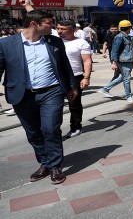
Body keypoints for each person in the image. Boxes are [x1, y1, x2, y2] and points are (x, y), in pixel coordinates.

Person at [0, 9, 77, 185]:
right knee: (33, 133)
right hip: (22, 95)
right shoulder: (6, 44)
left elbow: (65, 65)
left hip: (51, 92)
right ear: (34, 24)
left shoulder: (54, 42)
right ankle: (45, 163)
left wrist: (72, 86)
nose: (53, 27)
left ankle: (56, 166)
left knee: (50, 129)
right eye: (49, 23)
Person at [56, 20, 92, 139]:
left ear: (73, 30)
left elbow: (87, 61)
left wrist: (86, 77)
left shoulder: (81, 43)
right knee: (55, 104)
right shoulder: (54, 41)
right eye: (58, 28)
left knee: (74, 104)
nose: (59, 31)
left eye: (63, 29)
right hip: (56, 77)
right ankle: (54, 129)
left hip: (75, 77)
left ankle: (76, 127)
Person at [98, 20, 133, 103]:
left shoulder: (127, 36)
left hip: (127, 60)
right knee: (127, 79)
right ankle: (128, 96)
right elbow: (114, 50)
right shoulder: (120, 37)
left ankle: (105, 89)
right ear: (129, 28)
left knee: (122, 77)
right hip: (123, 61)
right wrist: (114, 63)